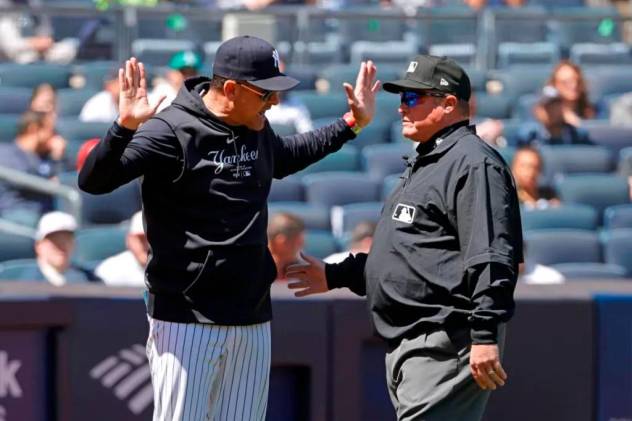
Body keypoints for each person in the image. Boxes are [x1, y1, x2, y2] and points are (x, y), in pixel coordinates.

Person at [78, 35, 379, 421]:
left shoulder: (254, 122)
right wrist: (123, 127)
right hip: (186, 317)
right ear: (232, 88)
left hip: (251, 313)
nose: (274, 102)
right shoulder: (171, 130)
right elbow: (94, 181)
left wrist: (352, 123)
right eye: (265, 93)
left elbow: (286, 156)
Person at [287, 55, 523, 421]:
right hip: (415, 344)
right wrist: (339, 275)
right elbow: (412, 257)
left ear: (448, 104)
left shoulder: (474, 162)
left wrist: (484, 335)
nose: (401, 108)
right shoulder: (430, 160)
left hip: (446, 339)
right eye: (400, 98)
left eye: (413, 98)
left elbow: (491, 256)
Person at [0, 111, 66, 217]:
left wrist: (57, 158)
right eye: (51, 130)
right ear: (33, 128)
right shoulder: (7, 152)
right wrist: (49, 183)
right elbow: (21, 179)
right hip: (16, 214)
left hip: (43, 215)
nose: (55, 136)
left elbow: (61, 181)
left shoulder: (45, 158)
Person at [25, 211, 98, 285]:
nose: (61, 246)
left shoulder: (90, 279)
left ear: (74, 244)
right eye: (54, 241)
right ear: (39, 246)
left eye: (66, 240)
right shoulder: (24, 282)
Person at [518, 86, 594, 146]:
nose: (552, 111)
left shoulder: (576, 134)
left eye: (555, 106)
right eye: (547, 107)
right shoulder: (529, 135)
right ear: (537, 111)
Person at [533, 60, 595, 128]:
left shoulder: (590, 110)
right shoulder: (545, 113)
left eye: (576, 80)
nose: (573, 85)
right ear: (554, 86)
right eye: (566, 82)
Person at [95, 211, 148, 286]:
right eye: (141, 239)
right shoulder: (109, 270)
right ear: (129, 240)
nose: (148, 245)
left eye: (154, 239)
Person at [267, 212, 305, 281]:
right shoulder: (251, 270)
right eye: (298, 242)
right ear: (281, 241)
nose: (302, 246)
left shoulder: (301, 271)